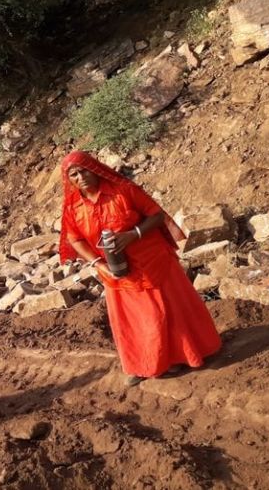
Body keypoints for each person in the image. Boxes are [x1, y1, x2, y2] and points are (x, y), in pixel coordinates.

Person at [59, 150, 221, 386]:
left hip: (153, 261)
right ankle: (144, 364)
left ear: (94, 169)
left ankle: (183, 355)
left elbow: (156, 216)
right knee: (134, 321)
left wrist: (132, 235)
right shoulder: (73, 208)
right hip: (116, 271)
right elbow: (75, 239)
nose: (80, 177)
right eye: (73, 174)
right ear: (70, 180)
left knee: (168, 312)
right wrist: (97, 264)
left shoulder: (123, 190)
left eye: (83, 170)